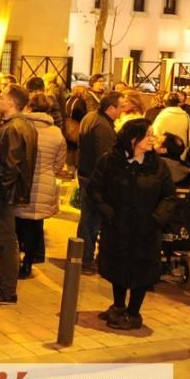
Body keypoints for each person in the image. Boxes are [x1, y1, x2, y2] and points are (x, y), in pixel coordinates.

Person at [86, 119, 176, 331]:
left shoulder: (158, 166)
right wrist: (107, 212)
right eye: (148, 135)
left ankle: (134, 313)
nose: (152, 139)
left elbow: (169, 197)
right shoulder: (110, 161)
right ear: (132, 139)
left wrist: (157, 218)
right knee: (116, 265)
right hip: (117, 227)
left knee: (142, 270)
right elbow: (94, 189)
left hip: (146, 230)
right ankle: (118, 306)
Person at [0, 84, 36, 304]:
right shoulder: (23, 125)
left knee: (6, 240)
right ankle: (4, 282)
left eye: (1, 97)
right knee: (6, 239)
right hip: (10, 191)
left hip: (6, 193)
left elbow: (10, 166)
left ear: (12, 103)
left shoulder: (13, 128)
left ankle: (7, 289)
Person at [12, 93, 66, 279]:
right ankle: (28, 263)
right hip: (44, 182)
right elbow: (59, 163)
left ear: (29, 107)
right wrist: (48, 172)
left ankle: (15, 260)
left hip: (22, 182)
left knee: (18, 224)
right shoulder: (56, 132)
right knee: (36, 226)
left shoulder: (21, 127)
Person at [76, 91, 123, 273]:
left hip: (86, 173)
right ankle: (86, 259)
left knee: (87, 218)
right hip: (93, 179)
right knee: (91, 220)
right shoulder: (103, 126)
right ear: (111, 108)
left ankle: (82, 256)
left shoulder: (91, 117)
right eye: (120, 107)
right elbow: (103, 158)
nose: (122, 111)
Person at [151, 92, 190, 159]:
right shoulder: (185, 115)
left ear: (165, 103)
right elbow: (188, 136)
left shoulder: (162, 115)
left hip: (164, 153)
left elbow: (155, 133)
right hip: (180, 151)